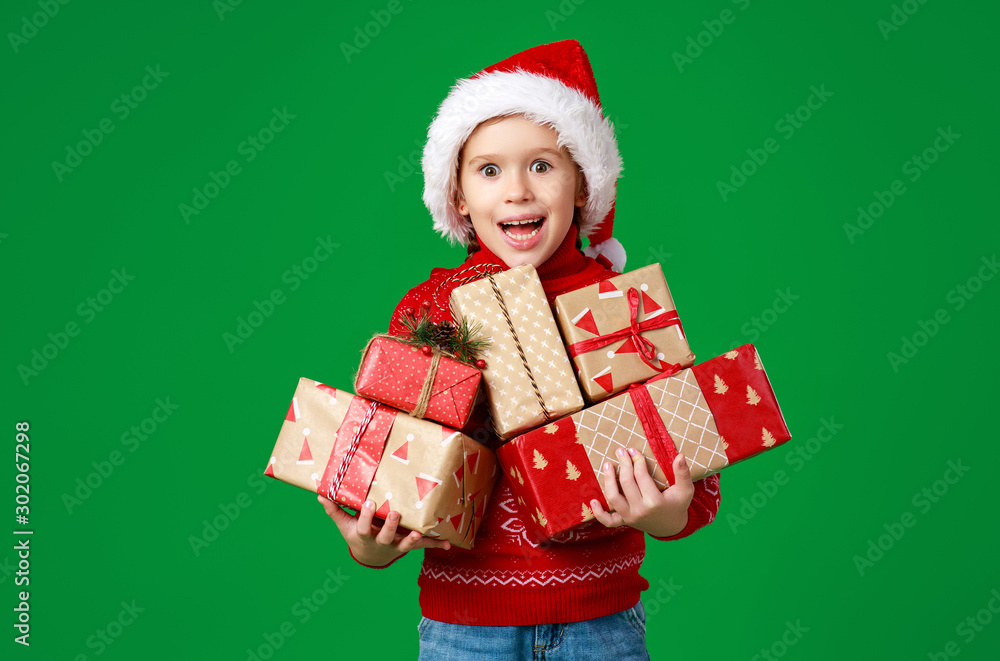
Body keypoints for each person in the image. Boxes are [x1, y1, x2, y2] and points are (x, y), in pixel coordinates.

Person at [317, 39, 721, 660]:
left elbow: (696, 486)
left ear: (583, 186)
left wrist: (664, 512)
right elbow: (386, 463)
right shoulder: (433, 308)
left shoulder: (622, 308)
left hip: (602, 625)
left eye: (541, 165)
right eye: (488, 170)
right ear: (456, 197)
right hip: (463, 631)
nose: (517, 192)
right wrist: (368, 542)